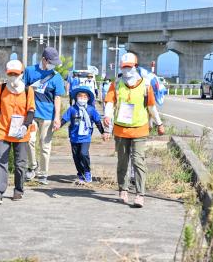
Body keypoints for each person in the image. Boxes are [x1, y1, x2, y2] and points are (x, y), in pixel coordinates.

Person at [103, 52, 165, 208]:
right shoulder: (116, 84)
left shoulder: (145, 85)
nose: (126, 70)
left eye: (129, 67)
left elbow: (151, 107)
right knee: (122, 162)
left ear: (135, 66)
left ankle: (139, 194)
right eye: (124, 67)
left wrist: (159, 123)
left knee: (138, 161)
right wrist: (107, 117)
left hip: (139, 129)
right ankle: (123, 190)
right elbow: (110, 102)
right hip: (121, 130)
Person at [0, 60, 35, 204]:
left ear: (21, 74)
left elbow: (31, 111)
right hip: (2, 130)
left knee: (20, 163)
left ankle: (18, 189)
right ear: (7, 73)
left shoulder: (28, 90)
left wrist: (25, 126)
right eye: (11, 74)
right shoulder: (1, 89)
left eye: (16, 74)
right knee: (1, 162)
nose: (13, 76)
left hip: (20, 132)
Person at [24, 47, 65, 185]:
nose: (53, 65)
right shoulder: (30, 71)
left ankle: (43, 173)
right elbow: (23, 90)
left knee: (45, 145)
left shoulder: (57, 77)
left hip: (48, 116)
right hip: (31, 114)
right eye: (51, 62)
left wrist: (57, 117)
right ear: (44, 59)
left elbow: (57, 98)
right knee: (29, 141)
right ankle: (32, 166)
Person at [60, 86, 106, 184]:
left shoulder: (91, 110)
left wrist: (103, 132)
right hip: (74, 137)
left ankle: (87, 171)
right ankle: (80, 173)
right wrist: (57, 126)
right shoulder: (72, 109)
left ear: (88, 98)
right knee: (76, 157)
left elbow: (98, 121)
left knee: (83, 153)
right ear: (76, 97)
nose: (82, 98)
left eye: (85, 96)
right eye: (80, 96)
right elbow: (64, 119)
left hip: (86, 137)